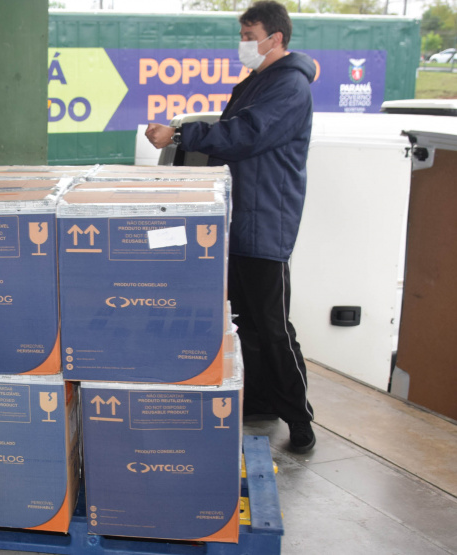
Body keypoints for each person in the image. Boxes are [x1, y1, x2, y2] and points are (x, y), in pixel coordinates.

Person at [145, 0, 317, 454]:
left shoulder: (289, 87)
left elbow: (246, 134)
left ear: (274, 38)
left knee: (273, 325)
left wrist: (181, 134)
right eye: (241, 36)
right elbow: (232, 130)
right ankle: (259, 401)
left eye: (248, 36)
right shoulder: (257, 82)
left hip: (265, 223)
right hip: (237, 220)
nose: (243, 45)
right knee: (243, 323)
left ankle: (300, 419)